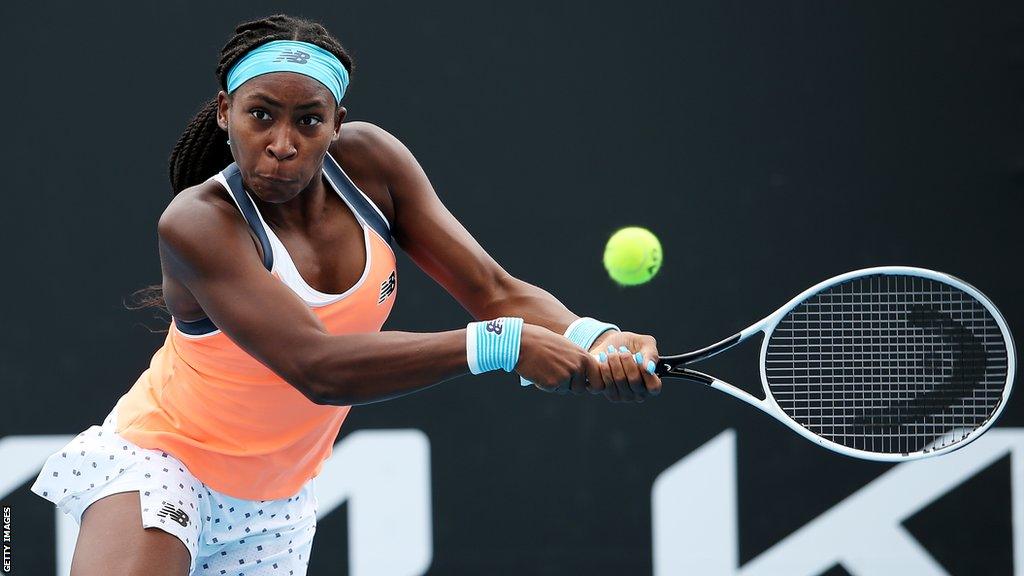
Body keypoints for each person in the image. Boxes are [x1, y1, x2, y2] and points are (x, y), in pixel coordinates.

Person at [30, 14, 662, 576]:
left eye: (309, 120)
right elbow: (318, 367)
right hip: (161, 459)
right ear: (225, 112)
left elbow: (492, 288)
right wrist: (499, 345)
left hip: (276, 504)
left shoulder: (371, 165)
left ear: (337, 122)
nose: (282, 143)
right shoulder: (197, 222)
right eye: (261, 115)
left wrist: (594, 337)